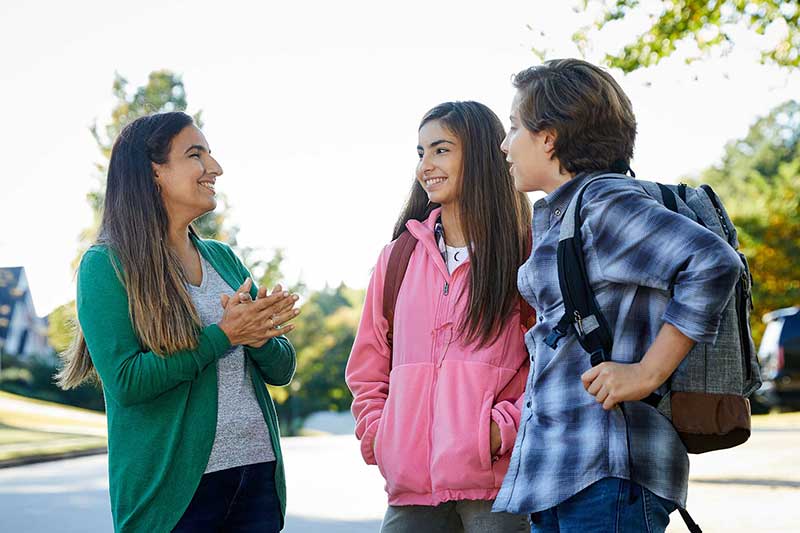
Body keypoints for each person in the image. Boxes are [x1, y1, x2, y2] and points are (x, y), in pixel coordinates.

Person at [492, 59, 743, 533]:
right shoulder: (568, 211)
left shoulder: (605, 202)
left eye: (513, 128)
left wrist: (648, 373)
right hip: (566, 472)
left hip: (605, 471)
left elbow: (712, 263)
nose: (506, 145)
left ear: (548, 137)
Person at [57, 111, 299, 533]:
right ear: (154, 173)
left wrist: (259, 334)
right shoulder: (106, 265)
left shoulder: (223, 258)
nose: (215, 168)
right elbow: (128, 382)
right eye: (196, 154)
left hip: (256, 475)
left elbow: (282, 369)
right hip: (176, 494)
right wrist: (225, 334)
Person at [346, 101, 533, 533]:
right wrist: (382, 436)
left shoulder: (525, 256)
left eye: (441, 150)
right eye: (420, 152)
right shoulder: (398, 258)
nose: (425, 165)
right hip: (411, 488)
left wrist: (497, 433)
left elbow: (552, 366)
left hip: (497, 490)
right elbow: (368, 365)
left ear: (484, 154)